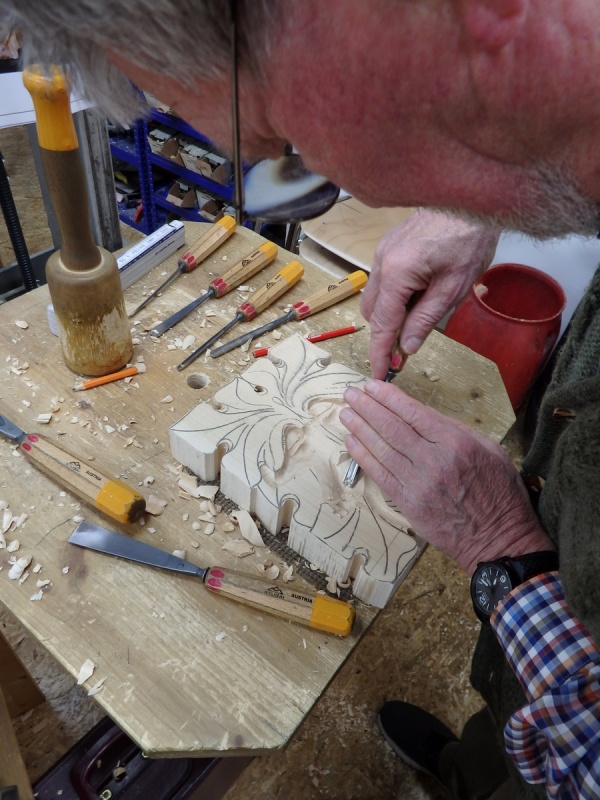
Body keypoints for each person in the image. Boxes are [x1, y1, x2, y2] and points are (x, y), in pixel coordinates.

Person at [2, 2, 600, 797]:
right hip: (553, 663)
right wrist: (471, 207)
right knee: (507, 745)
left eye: (287, 145)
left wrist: (507, 553)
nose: (274, 162)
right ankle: (472, 771)